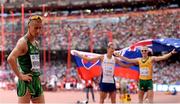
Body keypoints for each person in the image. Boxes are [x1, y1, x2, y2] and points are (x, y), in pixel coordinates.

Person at [7, 15, 45, 103]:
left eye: (40, 28)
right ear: (29, 27)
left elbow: (34, 62)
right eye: (35, 28)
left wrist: (37, 75)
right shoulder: (22, 42)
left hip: (36, 81)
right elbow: (10, 58)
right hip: (26, 82)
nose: (38, 31)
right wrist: (20, 75)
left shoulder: (36, 43)